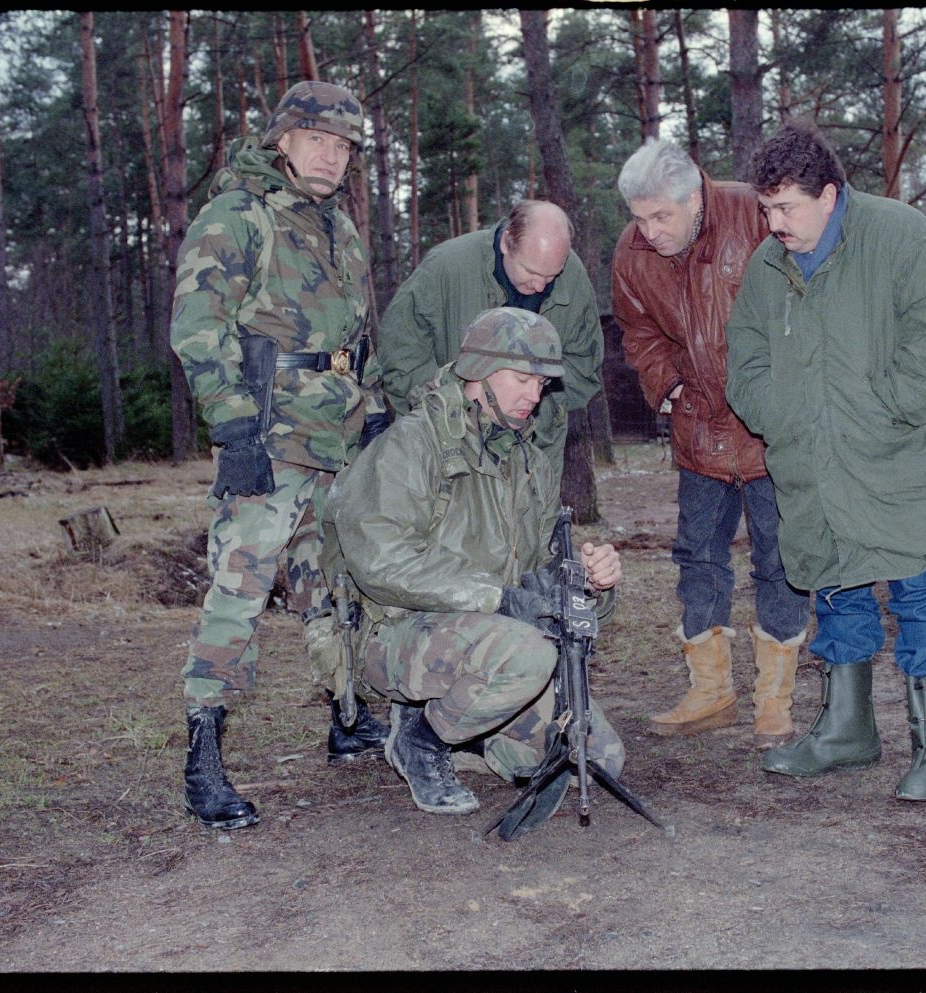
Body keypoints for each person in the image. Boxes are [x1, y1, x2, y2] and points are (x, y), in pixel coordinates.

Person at [724, 123, 926, 801]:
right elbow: (745, 356)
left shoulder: (900, 236)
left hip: (907, 459)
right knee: (837, 587)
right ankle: (847, 729)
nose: (771, 223)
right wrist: (778, 411)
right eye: (765, 208)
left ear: (830, 194)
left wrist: (892, 401)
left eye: (785, 208)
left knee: (921, 595)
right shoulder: (767, 268)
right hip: (816, 465)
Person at [170, 80, 391, 830]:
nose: (333, 156)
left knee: (332, 584)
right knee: (239, 588)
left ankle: (349, 717)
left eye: (345, 146)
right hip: (269, 435)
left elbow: (358, 335)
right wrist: (234, 431)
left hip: (336, 434)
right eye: (319, 140)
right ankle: (204, 758)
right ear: (283, 140)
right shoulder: (238, 215)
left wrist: (374, 410)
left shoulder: (341, 227)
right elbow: (199, 328)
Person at [330, 307, 625, 818]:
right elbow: (381, 561)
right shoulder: (411, 444)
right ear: (478, 371)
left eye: (541, 383)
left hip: (493, 639)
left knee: (598, 757)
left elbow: (536, 569)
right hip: (398, 633)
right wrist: (496, 597)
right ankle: (421, 741)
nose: (534, 395)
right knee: (528, 656)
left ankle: (470, 729)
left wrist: (589, 580)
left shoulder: (527, 460)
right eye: (523, 379)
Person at [611, 138, 810, 746]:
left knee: (779, 558)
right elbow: (636, 328)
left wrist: (785, 391)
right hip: (697, 425)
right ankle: (710, 692)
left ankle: (773, 703)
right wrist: (666, 386)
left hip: (768, 428)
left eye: (661, 216)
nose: (649, 231)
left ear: (694, 196)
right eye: (639, 218)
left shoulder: (754, 215)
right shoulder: (632, 252)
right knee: (697, 556)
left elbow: (806, 302)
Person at [376, 199, 604, 473]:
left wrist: (533, 410)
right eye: (531, 271)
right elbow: (400, 354)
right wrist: (451, 409)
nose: (540, 285)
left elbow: (584, 365)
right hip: (449, 453)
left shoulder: (572, 275)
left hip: (533, 456)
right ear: (507, 242)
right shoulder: (447, 267)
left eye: (551, 276)